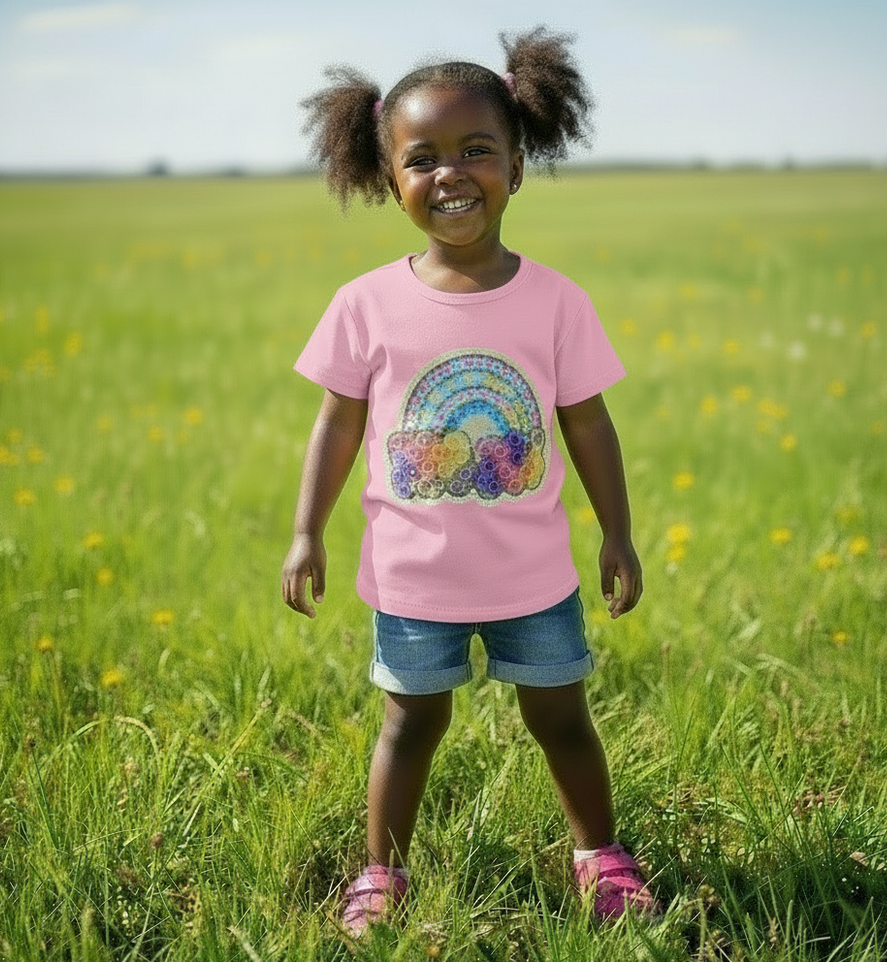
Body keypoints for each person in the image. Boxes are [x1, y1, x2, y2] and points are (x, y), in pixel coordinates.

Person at [282, 26, 659, 935]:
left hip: (535, 576)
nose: (449, 173)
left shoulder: (557, 301)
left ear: (517, 167)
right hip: (414, 579)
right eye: (422, 158)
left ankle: (600, 858)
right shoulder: (365, 305)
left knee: (561, 719)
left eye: (476, 150)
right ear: (391, 181)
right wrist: (305, 532)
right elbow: (338, 424)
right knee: (410, 726)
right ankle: (383, 874)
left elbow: (588, 423)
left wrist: (616, 532)